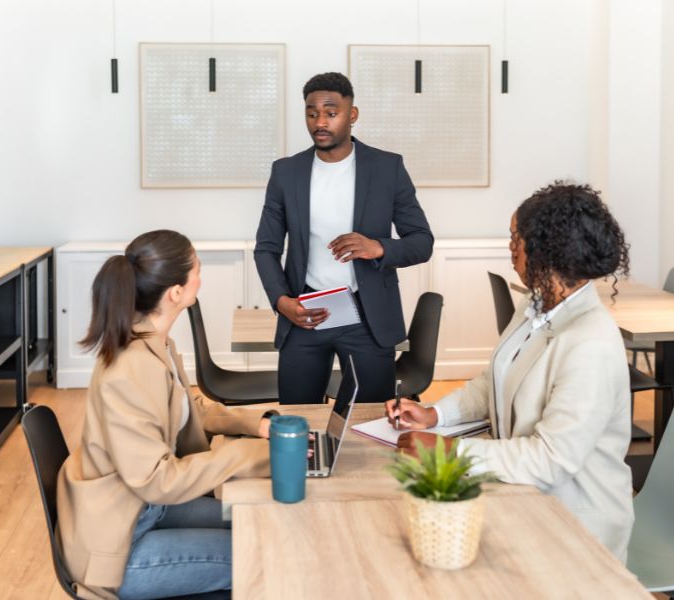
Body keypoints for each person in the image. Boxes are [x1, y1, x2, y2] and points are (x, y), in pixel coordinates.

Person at [386, 182, 635, 562]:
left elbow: (549, 461)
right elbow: (495, 381)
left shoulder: (591, 344)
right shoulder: (535, 306)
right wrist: (435, 414)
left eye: (516, 238)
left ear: (548, 249)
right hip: (521, 496)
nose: (510, 248)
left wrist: (450, 451)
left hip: (575, 530)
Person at [56, 230, 277, 600]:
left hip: (145, 511)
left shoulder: (154, 343)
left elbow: (189, 410)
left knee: (263, 524)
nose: (200, 279)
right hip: (122, 548)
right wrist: (245, 455)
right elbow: (158, 480)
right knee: (264, 553)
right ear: (176, 292)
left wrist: (254, 424)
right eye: (198, 270)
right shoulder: (129, 371)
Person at [255, 72, 433, 404]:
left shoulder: (387, 168)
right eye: (311, 113)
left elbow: (422, 241)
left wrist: (377, 247)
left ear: (352, 115)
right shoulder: (286, 172)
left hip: (368, 317)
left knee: (368, 425)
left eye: (331, 112)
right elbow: (266, 248)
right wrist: (282, 303)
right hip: (304, 313)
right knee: (298, 420)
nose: (320, 121)